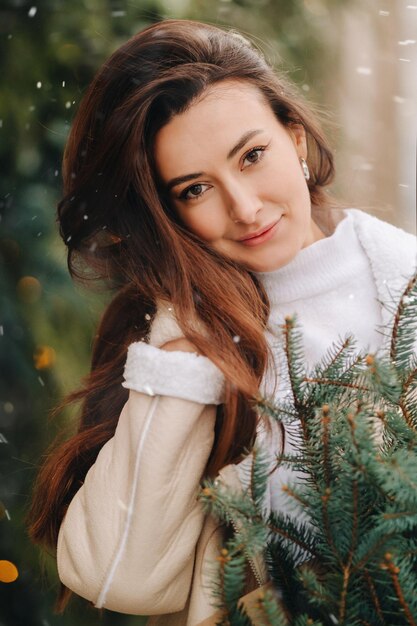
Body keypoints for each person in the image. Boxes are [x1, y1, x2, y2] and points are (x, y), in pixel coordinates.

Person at [27, 18, 416, 626]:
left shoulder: (405, 289)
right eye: (195, 189)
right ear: (165, 214)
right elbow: (119, 575)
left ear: (296, 138)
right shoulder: (188, 344)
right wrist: (183, 351)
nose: (244, 206)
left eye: (252, 155)